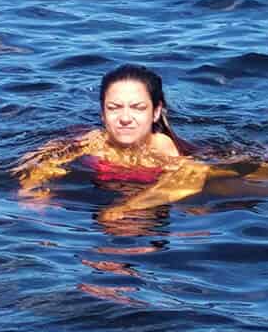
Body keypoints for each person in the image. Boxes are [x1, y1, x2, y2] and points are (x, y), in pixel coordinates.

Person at [13, 65, 215, 219]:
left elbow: (192, 180)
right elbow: (40, 159)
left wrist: (129, 207)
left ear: (155, 112)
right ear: (102, 113)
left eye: (137, 107)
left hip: (153, 218)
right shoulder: (94, 142)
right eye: (114, 107)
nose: (125, 118)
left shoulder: (167, 152)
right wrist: (33, 188)